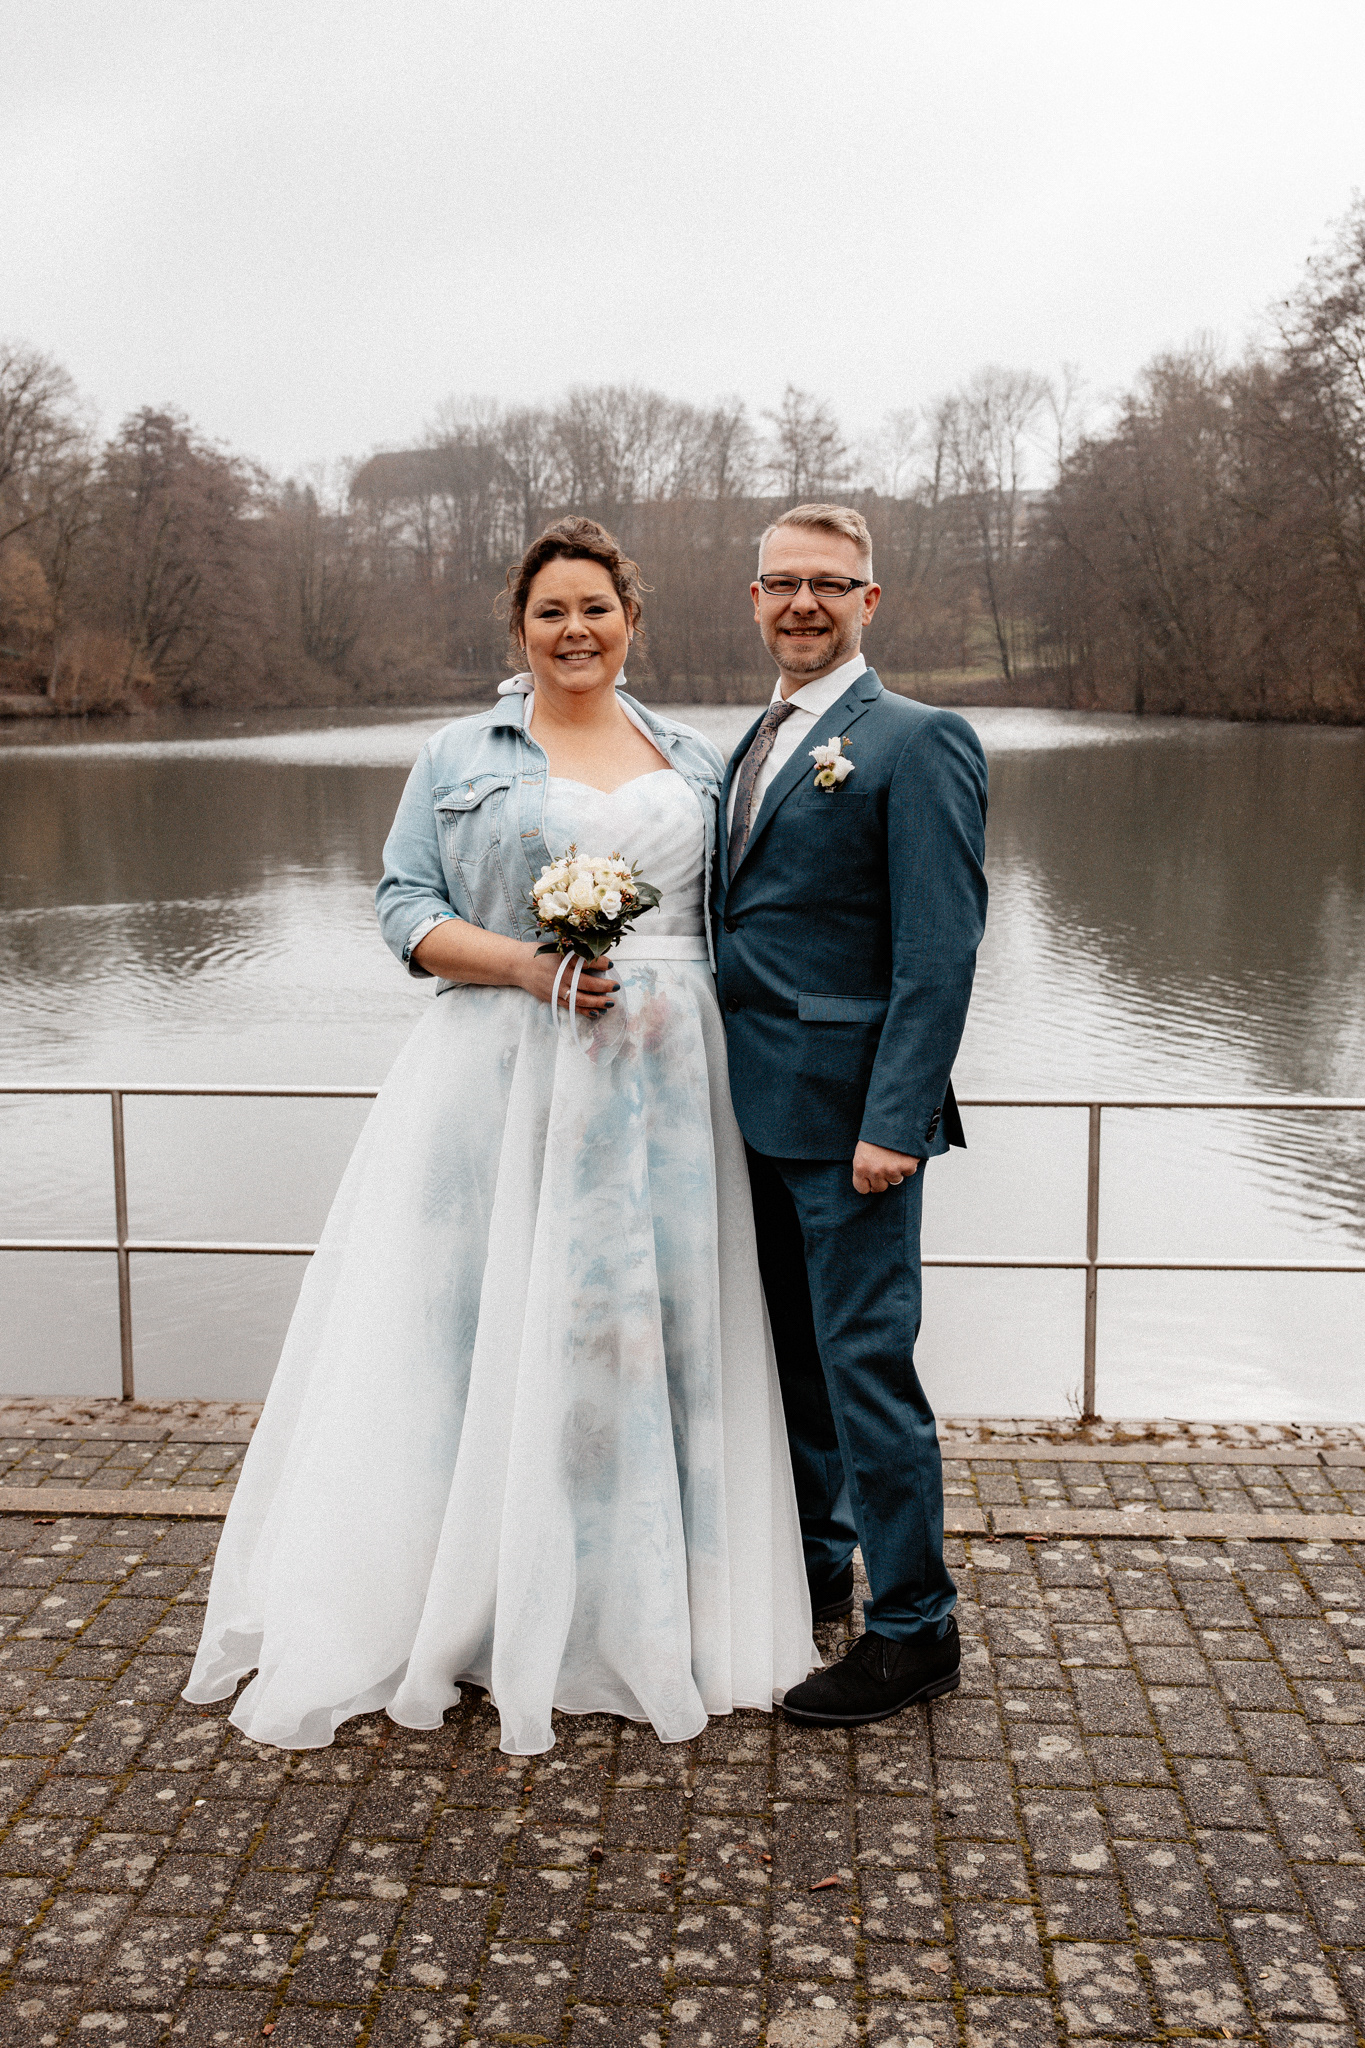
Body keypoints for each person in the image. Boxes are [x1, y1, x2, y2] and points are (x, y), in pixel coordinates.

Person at [184, 517, 816, 1756]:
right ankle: (472, 1595)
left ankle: (634, 1595)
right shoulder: (458, 753)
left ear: (632, 618)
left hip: (670, 1089)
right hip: (501, 1076)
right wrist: (527, 967)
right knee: (480, 1324)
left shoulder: (697, 756)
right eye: (549, 612)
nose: (574, 630)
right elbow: (401, 906)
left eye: (595, 607)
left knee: (643, 1334)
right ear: (519, 628)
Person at [713, 502, 988, 1727]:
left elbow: (940, 952)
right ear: (755, 599)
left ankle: (915, 1627)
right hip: (750, 1115)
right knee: (793, 1369)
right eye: (783, 583)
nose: (803, 604)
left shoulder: (917, 740)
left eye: (831, 584)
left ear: (871, 602)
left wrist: (898, 1118)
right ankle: (820, 1562)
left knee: (869, 1371)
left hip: (855, 1129)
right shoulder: (753, 741)